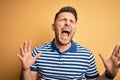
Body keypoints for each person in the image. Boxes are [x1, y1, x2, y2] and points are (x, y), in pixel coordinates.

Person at [17, 6, 120, 80]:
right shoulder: (38, 52)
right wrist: (25, 69)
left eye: (72, 21)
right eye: (63, 20)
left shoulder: (86, 55)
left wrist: (109, 75)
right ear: (53, 26)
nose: (67, 23)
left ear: (75, 28)